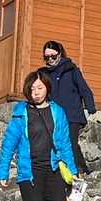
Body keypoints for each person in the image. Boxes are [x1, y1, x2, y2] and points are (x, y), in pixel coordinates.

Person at [0, 70, 74, 201]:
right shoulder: (21, 112)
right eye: (32, 89)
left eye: (39, 88)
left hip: (53, 168)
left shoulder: (57, 111)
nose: (36, 92)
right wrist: (2, 171)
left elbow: (65, 143)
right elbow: (9, 143)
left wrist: (73, 170)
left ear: (47, 88)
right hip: (29, 171)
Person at [41, 40, 95, 173]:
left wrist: (90, 108)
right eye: (47, 57)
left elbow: (84, 89)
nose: (50, 60)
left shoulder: (71, 69)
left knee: (70, 142)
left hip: (72, 114)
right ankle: (80, 169)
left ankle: (77, 171)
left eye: (53, 56)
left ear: (59, 54)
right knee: (59, 143)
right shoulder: (44, 74)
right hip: (55, 115)